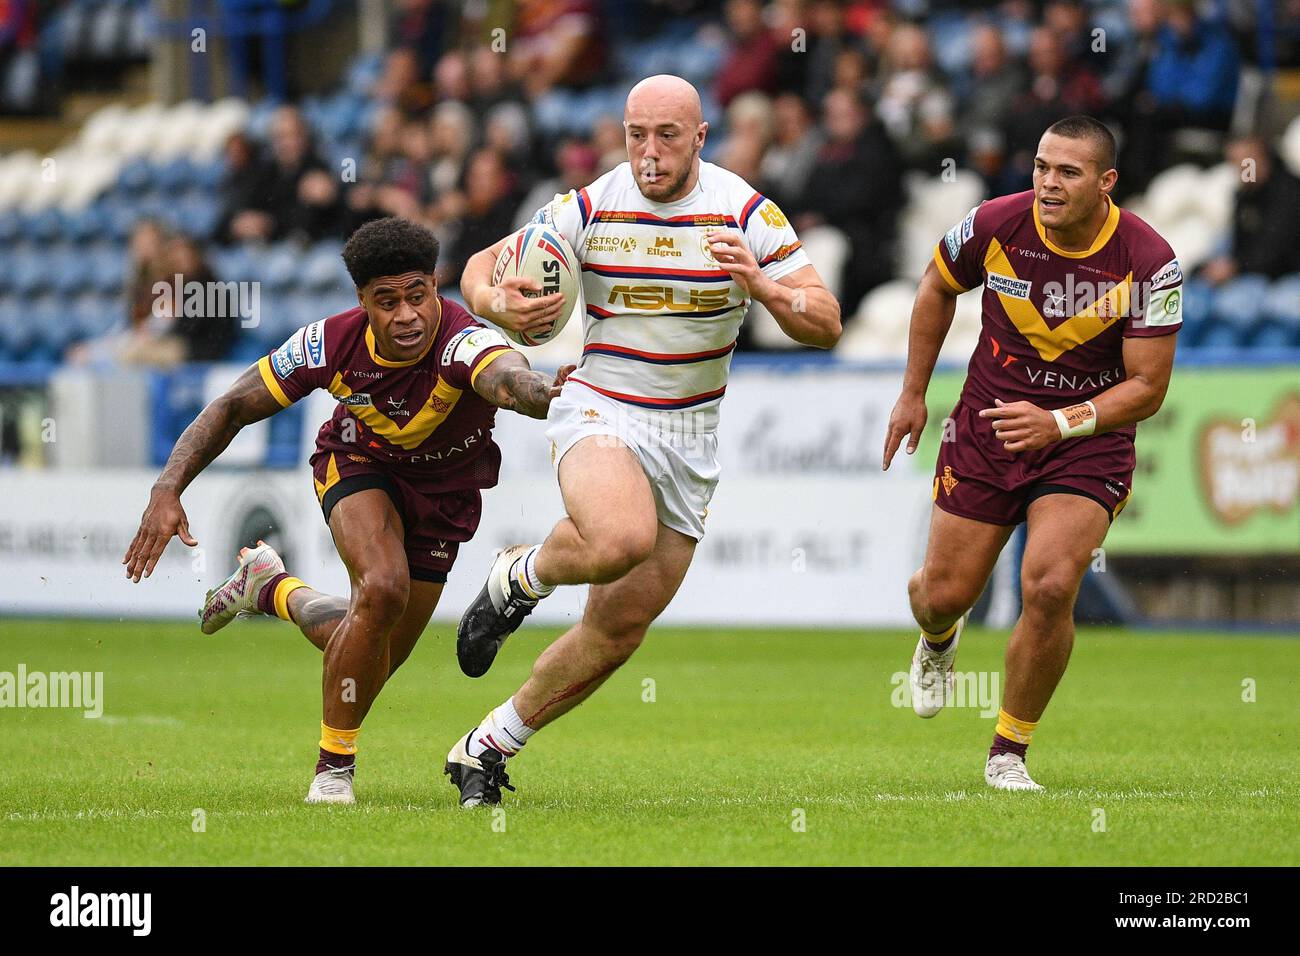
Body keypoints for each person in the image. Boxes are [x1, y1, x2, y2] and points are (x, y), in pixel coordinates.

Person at [443, 74, 842, 807]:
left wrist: (762, 284)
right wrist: (497, 301)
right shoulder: (590, 205)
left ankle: (486, 747)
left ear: (700, 137)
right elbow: (476, 270)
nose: (649, 153)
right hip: (601, 405)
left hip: (690, 435)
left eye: (666, 135)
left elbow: (824, 320)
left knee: (618, 631)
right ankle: (522, 575)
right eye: (635, 135)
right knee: (619, 536)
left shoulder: (746, 210)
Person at [121, 217, 572, 805]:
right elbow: (233, 407)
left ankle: (272, 588)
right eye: (388, 302)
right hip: (360, 466)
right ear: (363, 302)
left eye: (418, 295)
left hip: (444, 494)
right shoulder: (329, 343)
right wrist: (167, 488)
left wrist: (549, 391)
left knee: (375, 654)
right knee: (382, 589)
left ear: (436, 287)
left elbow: (511, 382)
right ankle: (333, 771)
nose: (406, 315)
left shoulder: (465, 341)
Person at [883, 116, 1182, 791]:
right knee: (945, 594)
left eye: (1067, 172)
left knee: (1047, 585)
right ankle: (936, 634)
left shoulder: (1149, 260)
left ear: (1106, 183)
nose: (1048, 182)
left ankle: (1008, 752)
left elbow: (1149, 387)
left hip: (1087, 443)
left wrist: (1060, 421)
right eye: (1043, 166)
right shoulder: (994, 221)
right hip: (986, 430)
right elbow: (933, 288)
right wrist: (911, 395)